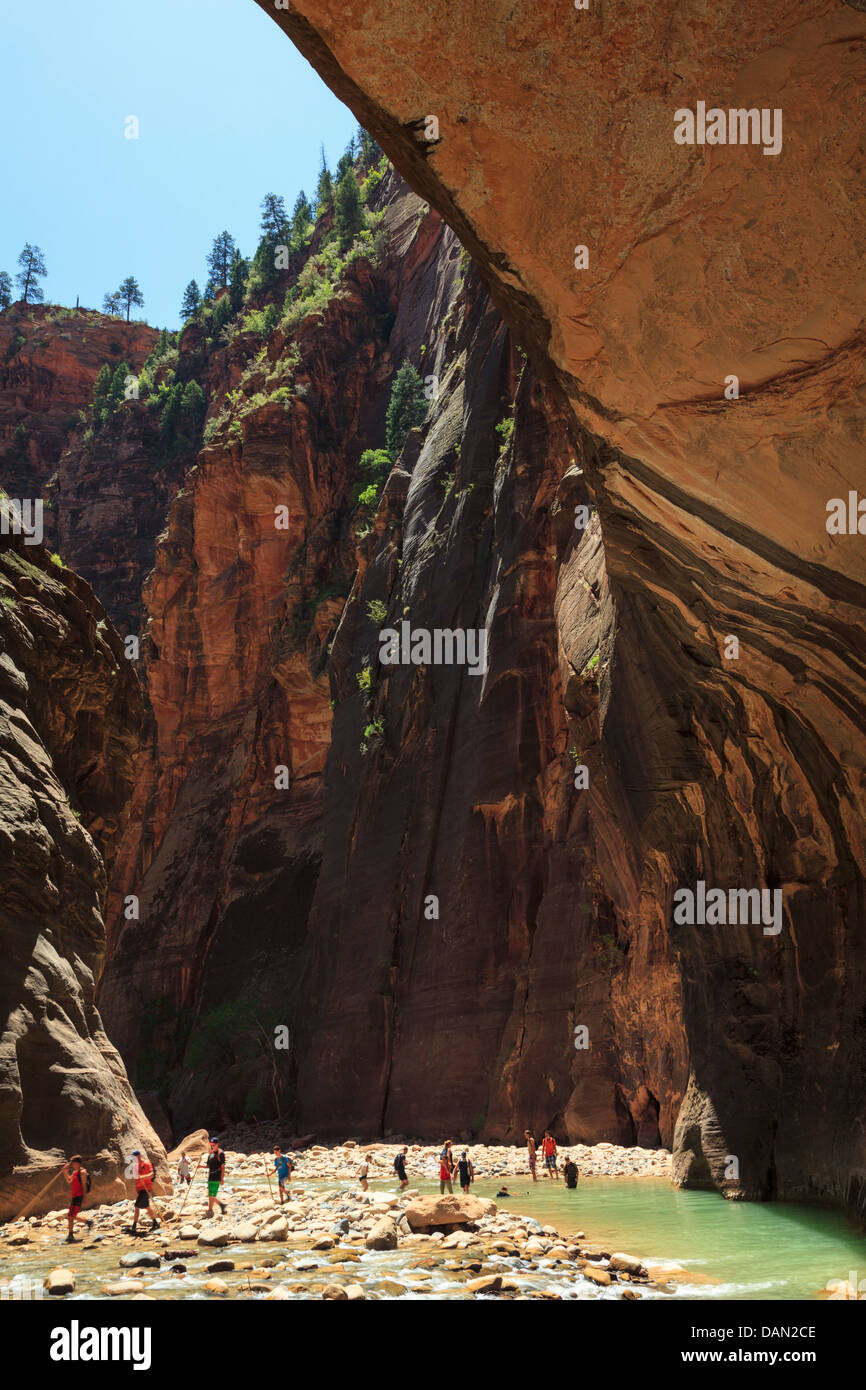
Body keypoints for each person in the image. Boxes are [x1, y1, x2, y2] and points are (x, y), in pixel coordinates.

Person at [62, 1156, 93, 1244]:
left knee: (71, 1215)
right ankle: (88, 1222)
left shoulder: (83, 1172)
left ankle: (71, 1235)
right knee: (70, 1216)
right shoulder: (75, 1172)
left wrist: (84, 1197)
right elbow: (69, 1180)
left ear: (77, 1163)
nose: (71, 1164)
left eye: (72, 1163)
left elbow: (84, 1185)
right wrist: (64, 1172)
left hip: (79, 1196)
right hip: (74, 1196)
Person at [131, 1150, 158, 1234]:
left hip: (146, 1188)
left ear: (138, 1156)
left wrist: (143, 1177)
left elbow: (152, 1174)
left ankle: (134, 1226)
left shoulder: (146, 1163)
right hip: (140, 1189)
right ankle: (155, 1222)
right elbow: (136, 1178)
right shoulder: (135, 1166)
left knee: (136, 1206)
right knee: (147, 1207)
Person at [206, 1137, 226, 1217]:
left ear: (217, 1144)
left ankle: (215, 1208)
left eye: (214, 1145)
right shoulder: (210, 1154)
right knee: (210, 1194)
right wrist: (200, 1166)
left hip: (217, 1177)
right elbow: (208, 1166)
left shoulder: (221, 1153)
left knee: (211, 1195)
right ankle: (213, 1209)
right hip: (210, 1177)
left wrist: (222, 1179)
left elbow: (223, 1167)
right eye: (211, 1145)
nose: (212, 1146)